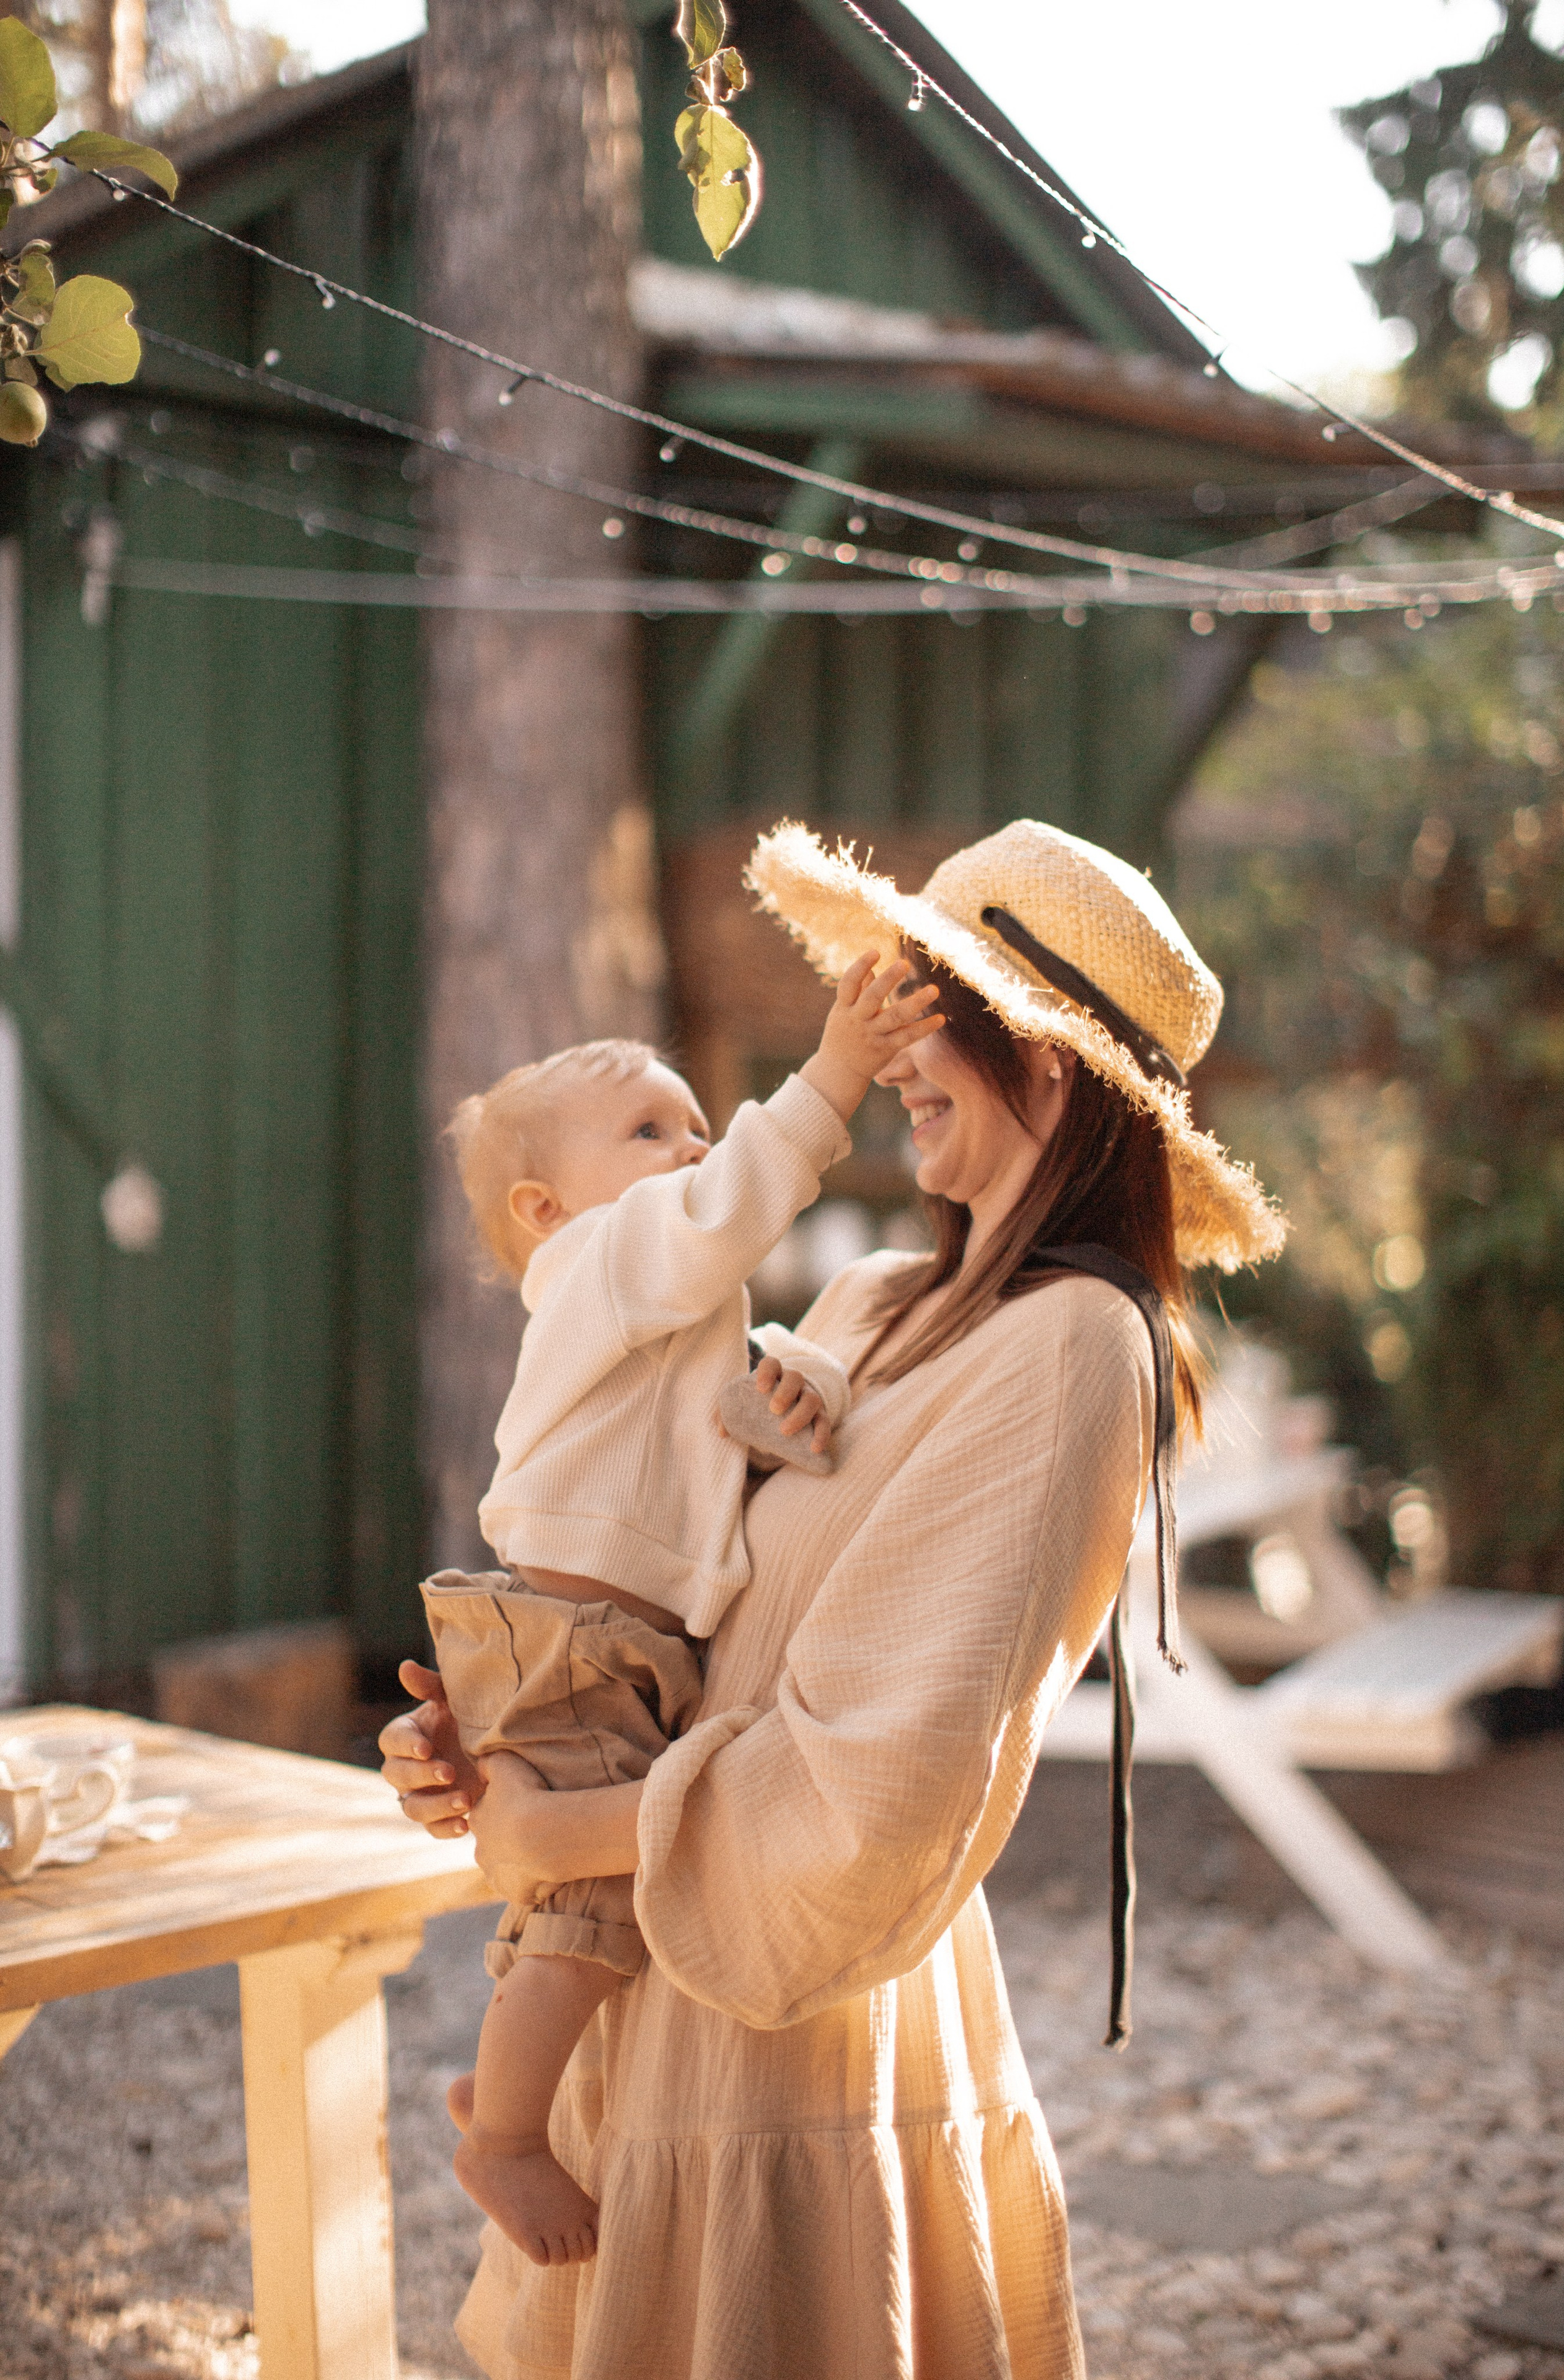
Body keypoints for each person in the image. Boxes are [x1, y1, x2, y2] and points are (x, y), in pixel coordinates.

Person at [383, 819, 1284, 2380]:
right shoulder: (869, 1303)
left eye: (927, 1019)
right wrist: (506, 1753)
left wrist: (560, 1833)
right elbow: (688, 1607)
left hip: (798, 2032)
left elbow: (879, 1786)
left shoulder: (1075, 1349)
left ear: (1049, 1069)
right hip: (646, 1965)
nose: (893, 1062)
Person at [422, 954, 945, 2267]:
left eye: (695, 1121)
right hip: (573, 1635)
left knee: (573, 1904)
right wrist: (828, 1078)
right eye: (650, 1130)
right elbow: (718, 1216)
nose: (695, 1145)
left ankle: (503, 2087)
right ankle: (504, 2142)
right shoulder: (599, 1260)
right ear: (548, 1210)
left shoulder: (663, 1323)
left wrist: (796, 1395)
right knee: (591, 1907)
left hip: (597, 1639)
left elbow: (740, 1428)